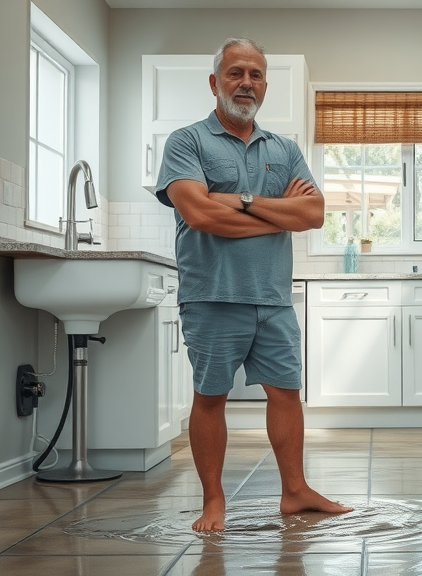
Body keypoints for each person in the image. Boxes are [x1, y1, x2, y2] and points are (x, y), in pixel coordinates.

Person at [154, 37, 353, 532]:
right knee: (211, 397)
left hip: (273, 297)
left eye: (256, 75)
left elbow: (314, 212)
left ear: (264, 84)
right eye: (236, 73)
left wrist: (237, 201)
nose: (246, 83)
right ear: (215, 81)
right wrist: (274, 211)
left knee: (287, 393)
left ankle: (295, 492)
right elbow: (199, 213)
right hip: (212, 294)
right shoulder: (187, 142)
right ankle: (214, 501)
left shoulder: (283, 148)